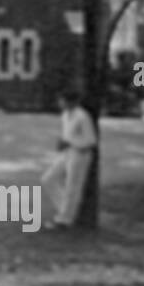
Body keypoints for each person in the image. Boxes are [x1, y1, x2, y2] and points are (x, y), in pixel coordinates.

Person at [41, 90, 98, 230]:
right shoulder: (65, 115)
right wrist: (62, 141)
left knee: (73, 186)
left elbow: (91, 141)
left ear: (72, 102)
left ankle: (64, 220)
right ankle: (66, 210)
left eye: (63, 100)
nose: (60, 103)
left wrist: (71, 142)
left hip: (80, 154)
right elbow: (67, 134)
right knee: (48, 179)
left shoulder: (82, 117)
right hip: (67, 152)